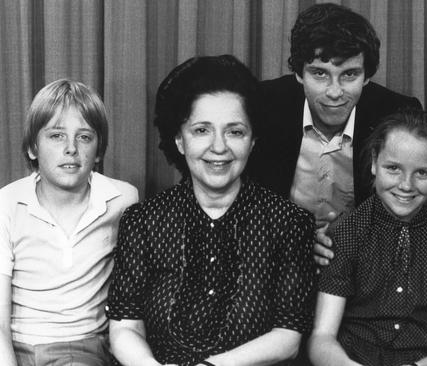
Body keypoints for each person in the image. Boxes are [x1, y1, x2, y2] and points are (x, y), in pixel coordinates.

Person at [107, 55, 316, 366]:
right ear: (179, 139)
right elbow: (124, 328)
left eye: (235, 132)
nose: (219, 147)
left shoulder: (289, 222)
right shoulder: (143, 221)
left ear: (253, 140)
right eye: (202, 130)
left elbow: (288, 337)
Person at [246, 2, 427, 266]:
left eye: (349, 75)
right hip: (275, 259)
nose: (334, 92)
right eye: (320, 74)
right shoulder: (263, 106)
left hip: (365, 266)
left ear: (366, 77)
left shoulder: (394, 112)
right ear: (299, 74)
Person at [308, 109, 427, 366]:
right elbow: (322, 337)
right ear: (373, 163)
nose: (406, 185)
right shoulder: (346, 231)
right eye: (393, 168)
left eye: (422, 173)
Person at [0, 79, 139, 366]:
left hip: (84, 348)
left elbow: (132, 294)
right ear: (32, 148)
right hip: (15, 345)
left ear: (99, 150)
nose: (71, 149)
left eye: (84, 137)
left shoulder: (122, 199)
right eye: (56, 136)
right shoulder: (7, 204)